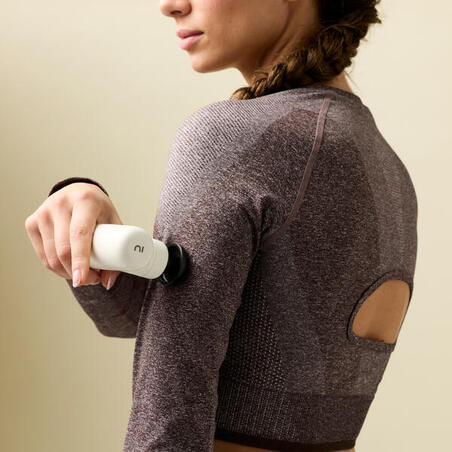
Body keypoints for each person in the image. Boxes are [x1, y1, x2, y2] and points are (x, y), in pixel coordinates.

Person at [25, 0, 418, 451]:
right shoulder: (388, 170)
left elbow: (171, 397)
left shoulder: (237, 136)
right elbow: (148, 317)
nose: (171, 6)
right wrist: (89, 230)